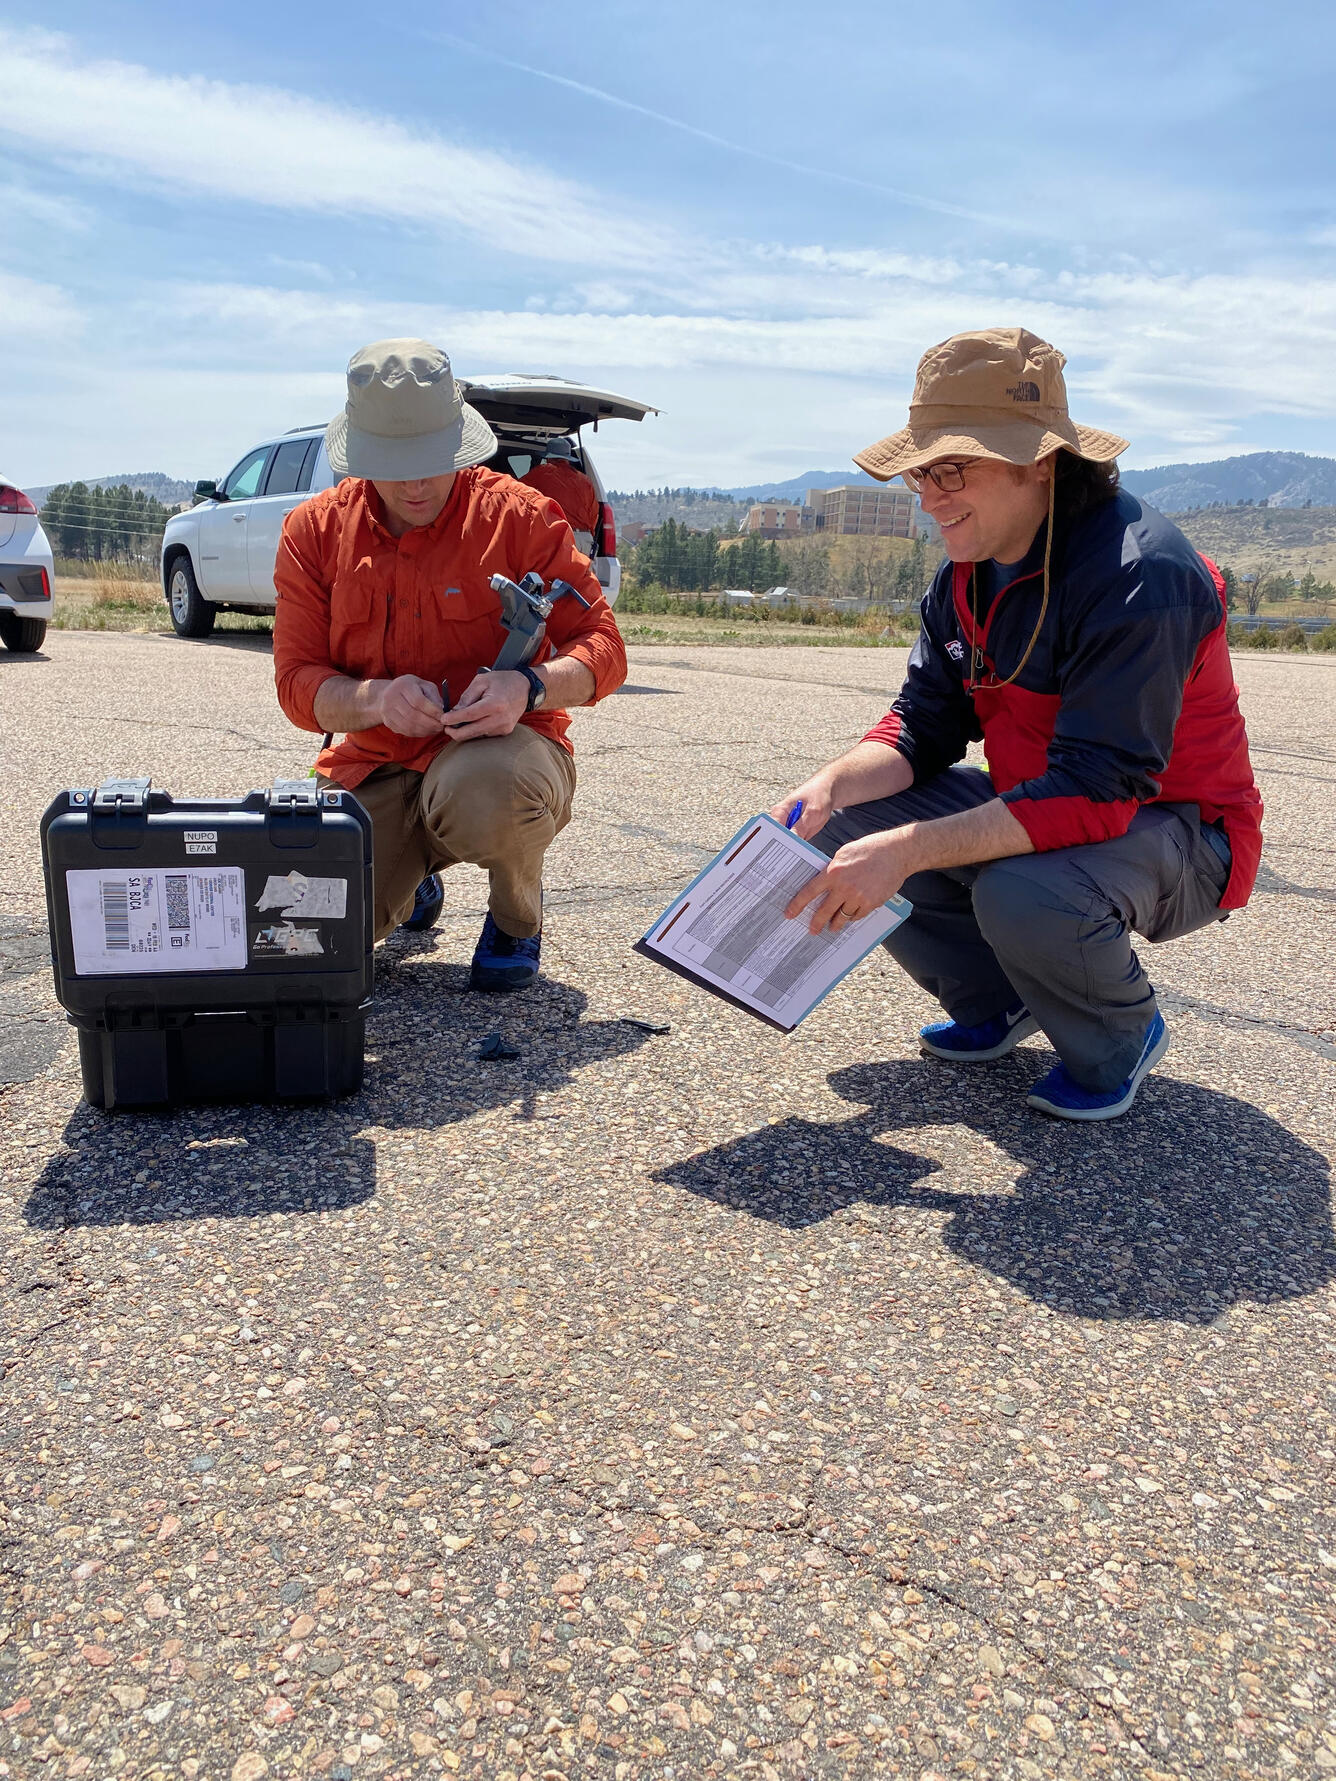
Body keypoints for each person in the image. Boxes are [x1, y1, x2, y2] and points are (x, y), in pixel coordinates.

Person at [773, 327, 1262, 1121]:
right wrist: (832, 783)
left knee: (1018, 889)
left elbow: (1100, 790)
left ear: (1039, 461)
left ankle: (1117, 1035)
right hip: (1057, 801)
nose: (929, 495)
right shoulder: (967, 573)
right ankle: (999, 999)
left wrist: (909, 849)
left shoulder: (1141, 577)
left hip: (1181, 829)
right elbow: (924, 725)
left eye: (952, 468)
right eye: (920, 473)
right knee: (850, 820)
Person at [273, 338, 626, 990]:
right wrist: (374, 699)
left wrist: (528, 686)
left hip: (496, 763)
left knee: (492, 793)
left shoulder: (518, 517)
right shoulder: (314, 534)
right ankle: (411, 882)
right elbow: (298, 686)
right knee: (303, 934)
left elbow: (605, 650)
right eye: (392, 463)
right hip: (374, 763)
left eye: (430, 461)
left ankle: (517, 918)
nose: (413, 483)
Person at [520, 436, 600, 542]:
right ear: (567, 458)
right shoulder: (584, 479)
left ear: (548, 457)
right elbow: (594, 513)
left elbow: (515, 491)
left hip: (560, 537)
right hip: (585, 539)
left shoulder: (543, 472)